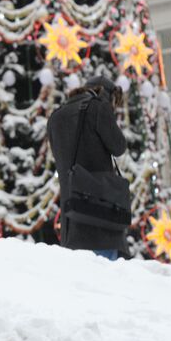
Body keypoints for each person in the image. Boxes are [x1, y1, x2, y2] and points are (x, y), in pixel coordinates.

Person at [47, 74, 128, 260]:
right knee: (107, 278)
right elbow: (119, 146)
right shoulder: (98, 107)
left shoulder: (56, 116)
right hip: (100, 214)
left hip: (71, 217)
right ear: (107, 95)